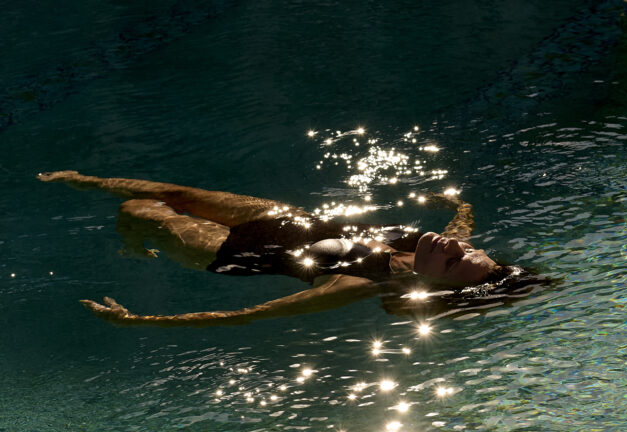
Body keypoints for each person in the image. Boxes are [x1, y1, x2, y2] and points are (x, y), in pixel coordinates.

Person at [38, 170, 545, 326]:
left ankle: (134, 247)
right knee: (176, 193)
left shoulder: (354, 284)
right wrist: (457, 200)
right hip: (286, 219)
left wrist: (140, 322)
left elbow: (251, 315)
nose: (453, 243)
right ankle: (83, 180)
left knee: (139, 213)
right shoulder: (452, 252)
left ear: (432, 284)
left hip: (231, 251)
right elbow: (462, 225)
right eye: (462, 246)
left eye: (453, 256)